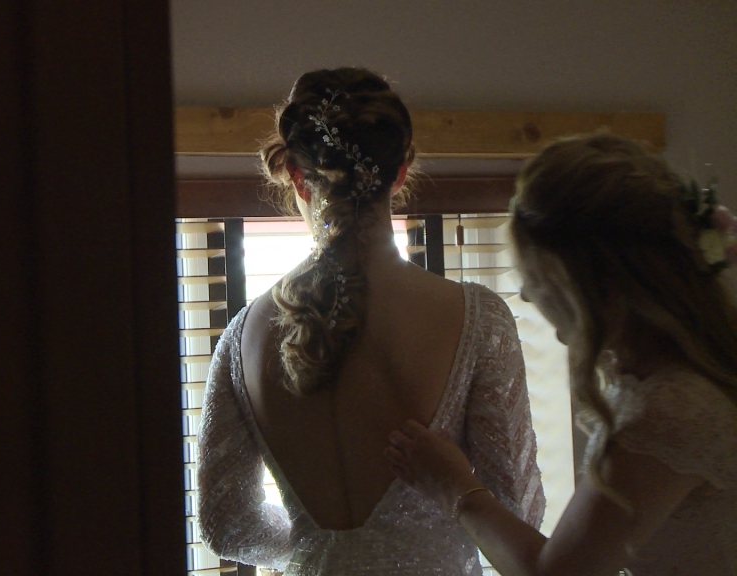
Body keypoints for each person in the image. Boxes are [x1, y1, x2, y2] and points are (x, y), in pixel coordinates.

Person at [196, 67, 545, 575]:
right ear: (401, 172)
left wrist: (315, 542)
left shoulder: (241, 338)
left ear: (297, 176)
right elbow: (517, 511)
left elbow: (227, 525)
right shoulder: (477, 319)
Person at [386, 134, 737, 575]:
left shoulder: (673, 410)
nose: (530, 296)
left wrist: (456, 487)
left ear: (594, 287)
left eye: (538, 276)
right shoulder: (664, 384)